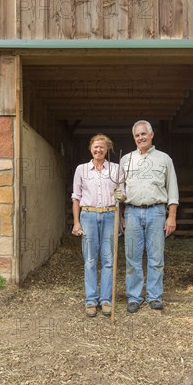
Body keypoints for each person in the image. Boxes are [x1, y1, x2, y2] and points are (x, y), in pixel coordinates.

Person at [119, 120, 179, 313]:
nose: (140, 138)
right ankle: (134, 297)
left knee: (156, 257)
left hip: (157, 211)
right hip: (132, 212)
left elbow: (173, 190)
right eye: (137, 135)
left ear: (152, 135)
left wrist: (171, 217)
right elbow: (120, 190)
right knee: (132, 257)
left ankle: (154, 296)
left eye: (144, 134)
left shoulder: (164, 159)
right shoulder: (126, 160)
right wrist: (120, 216)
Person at [71, 134, 125, 317]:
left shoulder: (116, 169)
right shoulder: (81, 170)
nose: (98, 150)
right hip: (88, 215)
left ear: (107, 149)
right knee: (90, 260)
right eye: (95, 147)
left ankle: (106, 300)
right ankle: (91, 301)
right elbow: (76, 197)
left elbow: (123, 194)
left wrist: (121, 196)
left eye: (102, 147)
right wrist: (77, 222)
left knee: (109, 260)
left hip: (110, 215)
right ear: (90, 149)